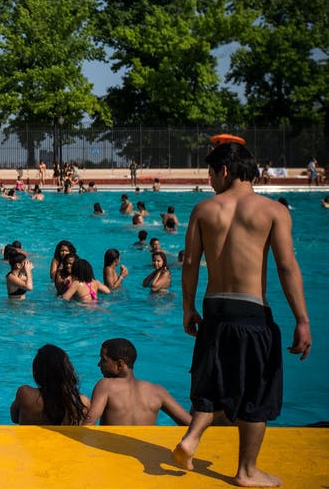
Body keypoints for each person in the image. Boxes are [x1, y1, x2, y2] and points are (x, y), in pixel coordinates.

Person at [172, 142, 311, 487]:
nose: (208, 182)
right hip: (251, 312)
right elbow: (285, 266)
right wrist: (302, 319)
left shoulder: (204, 210)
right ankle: (247, 471)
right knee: (256, 392)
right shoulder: (273, 211)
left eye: (210, 174)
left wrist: (188, 306)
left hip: (214, 307)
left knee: (211, 381)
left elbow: (190, 263)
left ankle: (190, 439)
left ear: (224, 171)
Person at [85, 338, 191, 426]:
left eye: (104, 360)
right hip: (145, 450)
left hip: (111, 449)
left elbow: (89, 423)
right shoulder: (157, 391)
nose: (99, 364)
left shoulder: (105, 385)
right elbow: (190, 424)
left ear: (120, 364)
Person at [11, 344, 90, 425]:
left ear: (38, 372)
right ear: (68, 371)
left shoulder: (25, 394)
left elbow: (14, 418)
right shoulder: (82, 403)